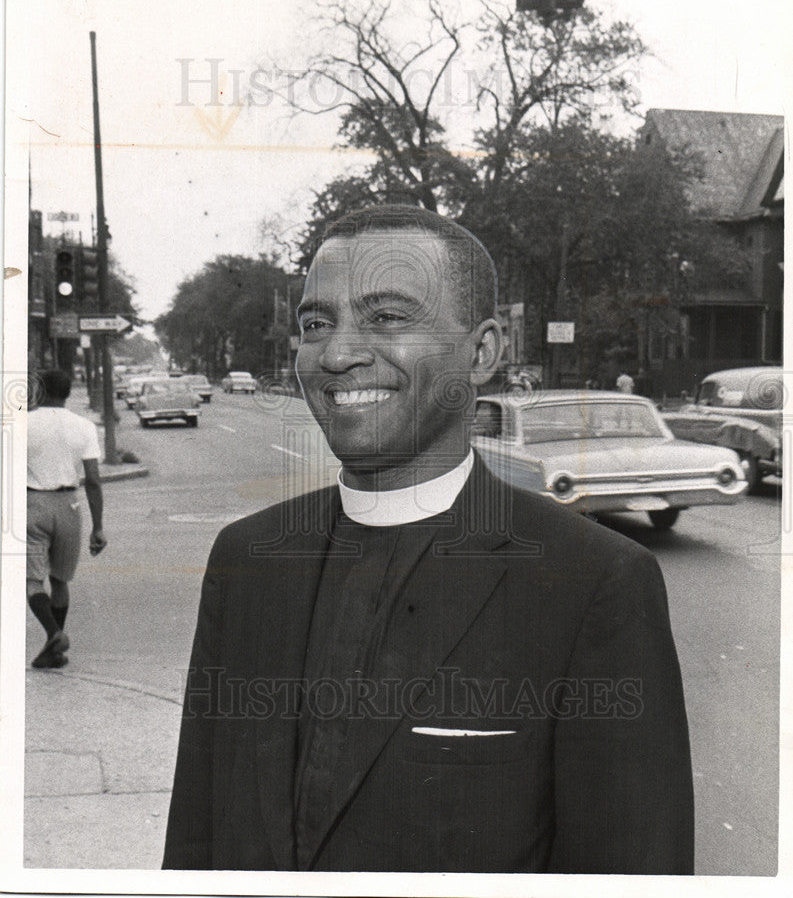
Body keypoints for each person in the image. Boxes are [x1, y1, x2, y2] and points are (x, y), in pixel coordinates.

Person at [163, 205, 694, 874]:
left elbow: (631, 873)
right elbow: (194, 839)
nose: (336, 353)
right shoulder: (245, 560)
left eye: (387, 318)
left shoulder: (591, 582)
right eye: (315, 323)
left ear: (481, 353)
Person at [27, 369, 106, 668]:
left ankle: (54, 633)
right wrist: (98, 527)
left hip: (32, 503)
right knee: (60, 580)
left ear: (40, 391)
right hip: (69, 506)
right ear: (69, 393)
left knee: (33, 581)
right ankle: (54, 650)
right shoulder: (84, 426)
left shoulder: (23, 423)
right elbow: (94, 481)